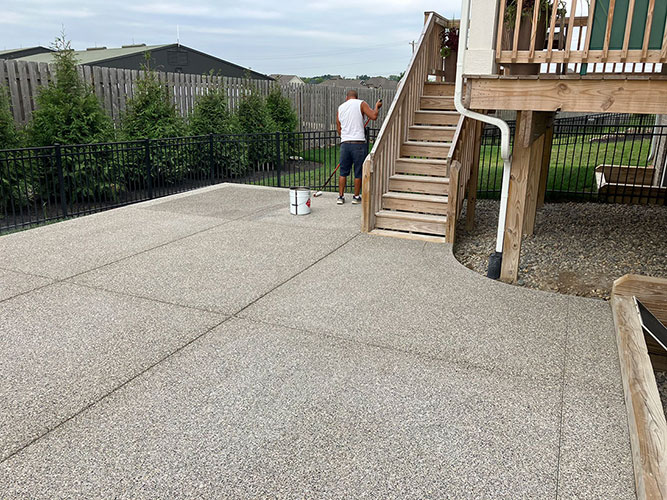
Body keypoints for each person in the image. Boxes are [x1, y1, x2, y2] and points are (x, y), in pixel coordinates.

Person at [336, 90, 382, 204]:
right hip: (358, 144)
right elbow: (373, 116)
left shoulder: (341, 108)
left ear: (347, 98)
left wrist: (345, 137)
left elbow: (338, 127)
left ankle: (340, 197)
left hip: (345, 144)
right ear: (356, 97)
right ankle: (356, 197)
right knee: (358, 172)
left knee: (343, 172)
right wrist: (377, 106)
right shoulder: (361, 103)